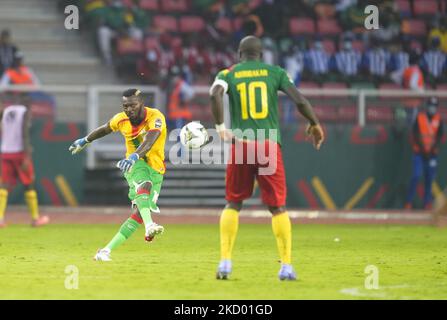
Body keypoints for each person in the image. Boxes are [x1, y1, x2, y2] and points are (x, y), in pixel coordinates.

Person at [209, 36, 324, 281]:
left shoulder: (228, 73)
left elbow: (214, 94)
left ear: (240, 54)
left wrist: (220, 127)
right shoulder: (276, 72)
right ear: (261, 55)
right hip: (268, 144)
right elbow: (300, 100)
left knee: (233, 203)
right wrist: (314, 123)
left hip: (241, 144)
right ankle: (286, 267)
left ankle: (225, 263)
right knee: (277, 207)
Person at [69, 89, 166, 261]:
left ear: (141, 103)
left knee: (137, 215)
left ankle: (104, 251)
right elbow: (105, 128)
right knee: (145, 184)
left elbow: (150, 140)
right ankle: (150, 225)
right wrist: (85, 140)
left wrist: (136, 154)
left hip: (156, 169)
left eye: (132, 105)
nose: (128, 109)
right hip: (134, 164)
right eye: (125, 106)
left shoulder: (155, 117)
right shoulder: (121, 119)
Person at [0, 93, 49, 228]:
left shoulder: (6, 111)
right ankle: (35, 219)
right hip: (20, 153)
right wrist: (26, 155)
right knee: (29, 184)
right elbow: (24, 133)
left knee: (3, 185)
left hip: (5, 152)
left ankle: (0, 219)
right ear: (27, 104)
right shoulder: (24, 112)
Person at [405, 97, 443, 210]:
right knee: (416, 176)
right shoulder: (420, 118)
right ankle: (408, 201)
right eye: (430, 106)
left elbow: (439, 136)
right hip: (419, 153)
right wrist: (423, 149)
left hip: (432, 154)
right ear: (427, 106)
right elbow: (415, 134)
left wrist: (432, 149)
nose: (432, 108)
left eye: (434, 106)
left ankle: (427, 202)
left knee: (429, 178)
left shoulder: (438, 119)